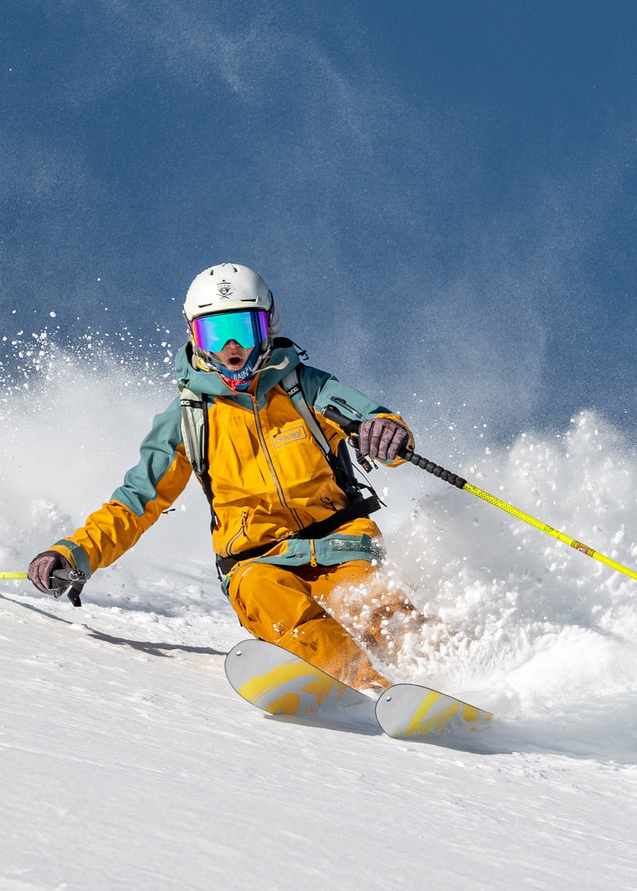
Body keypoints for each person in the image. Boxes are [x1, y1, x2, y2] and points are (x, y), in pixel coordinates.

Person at [27, 263, 420, 693]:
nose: (232, 347)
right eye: (215, 334)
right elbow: (136, 501)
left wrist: (386, 430)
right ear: (194, 336)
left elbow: (373, 419)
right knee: (278, 606)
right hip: (258, 561)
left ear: (268, 326)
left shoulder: (307, 389)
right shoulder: (187, 419)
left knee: (381, 609)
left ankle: (452, 676)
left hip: (341, 545)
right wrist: (75, 554)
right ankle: (366, 688)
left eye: (243, 330)